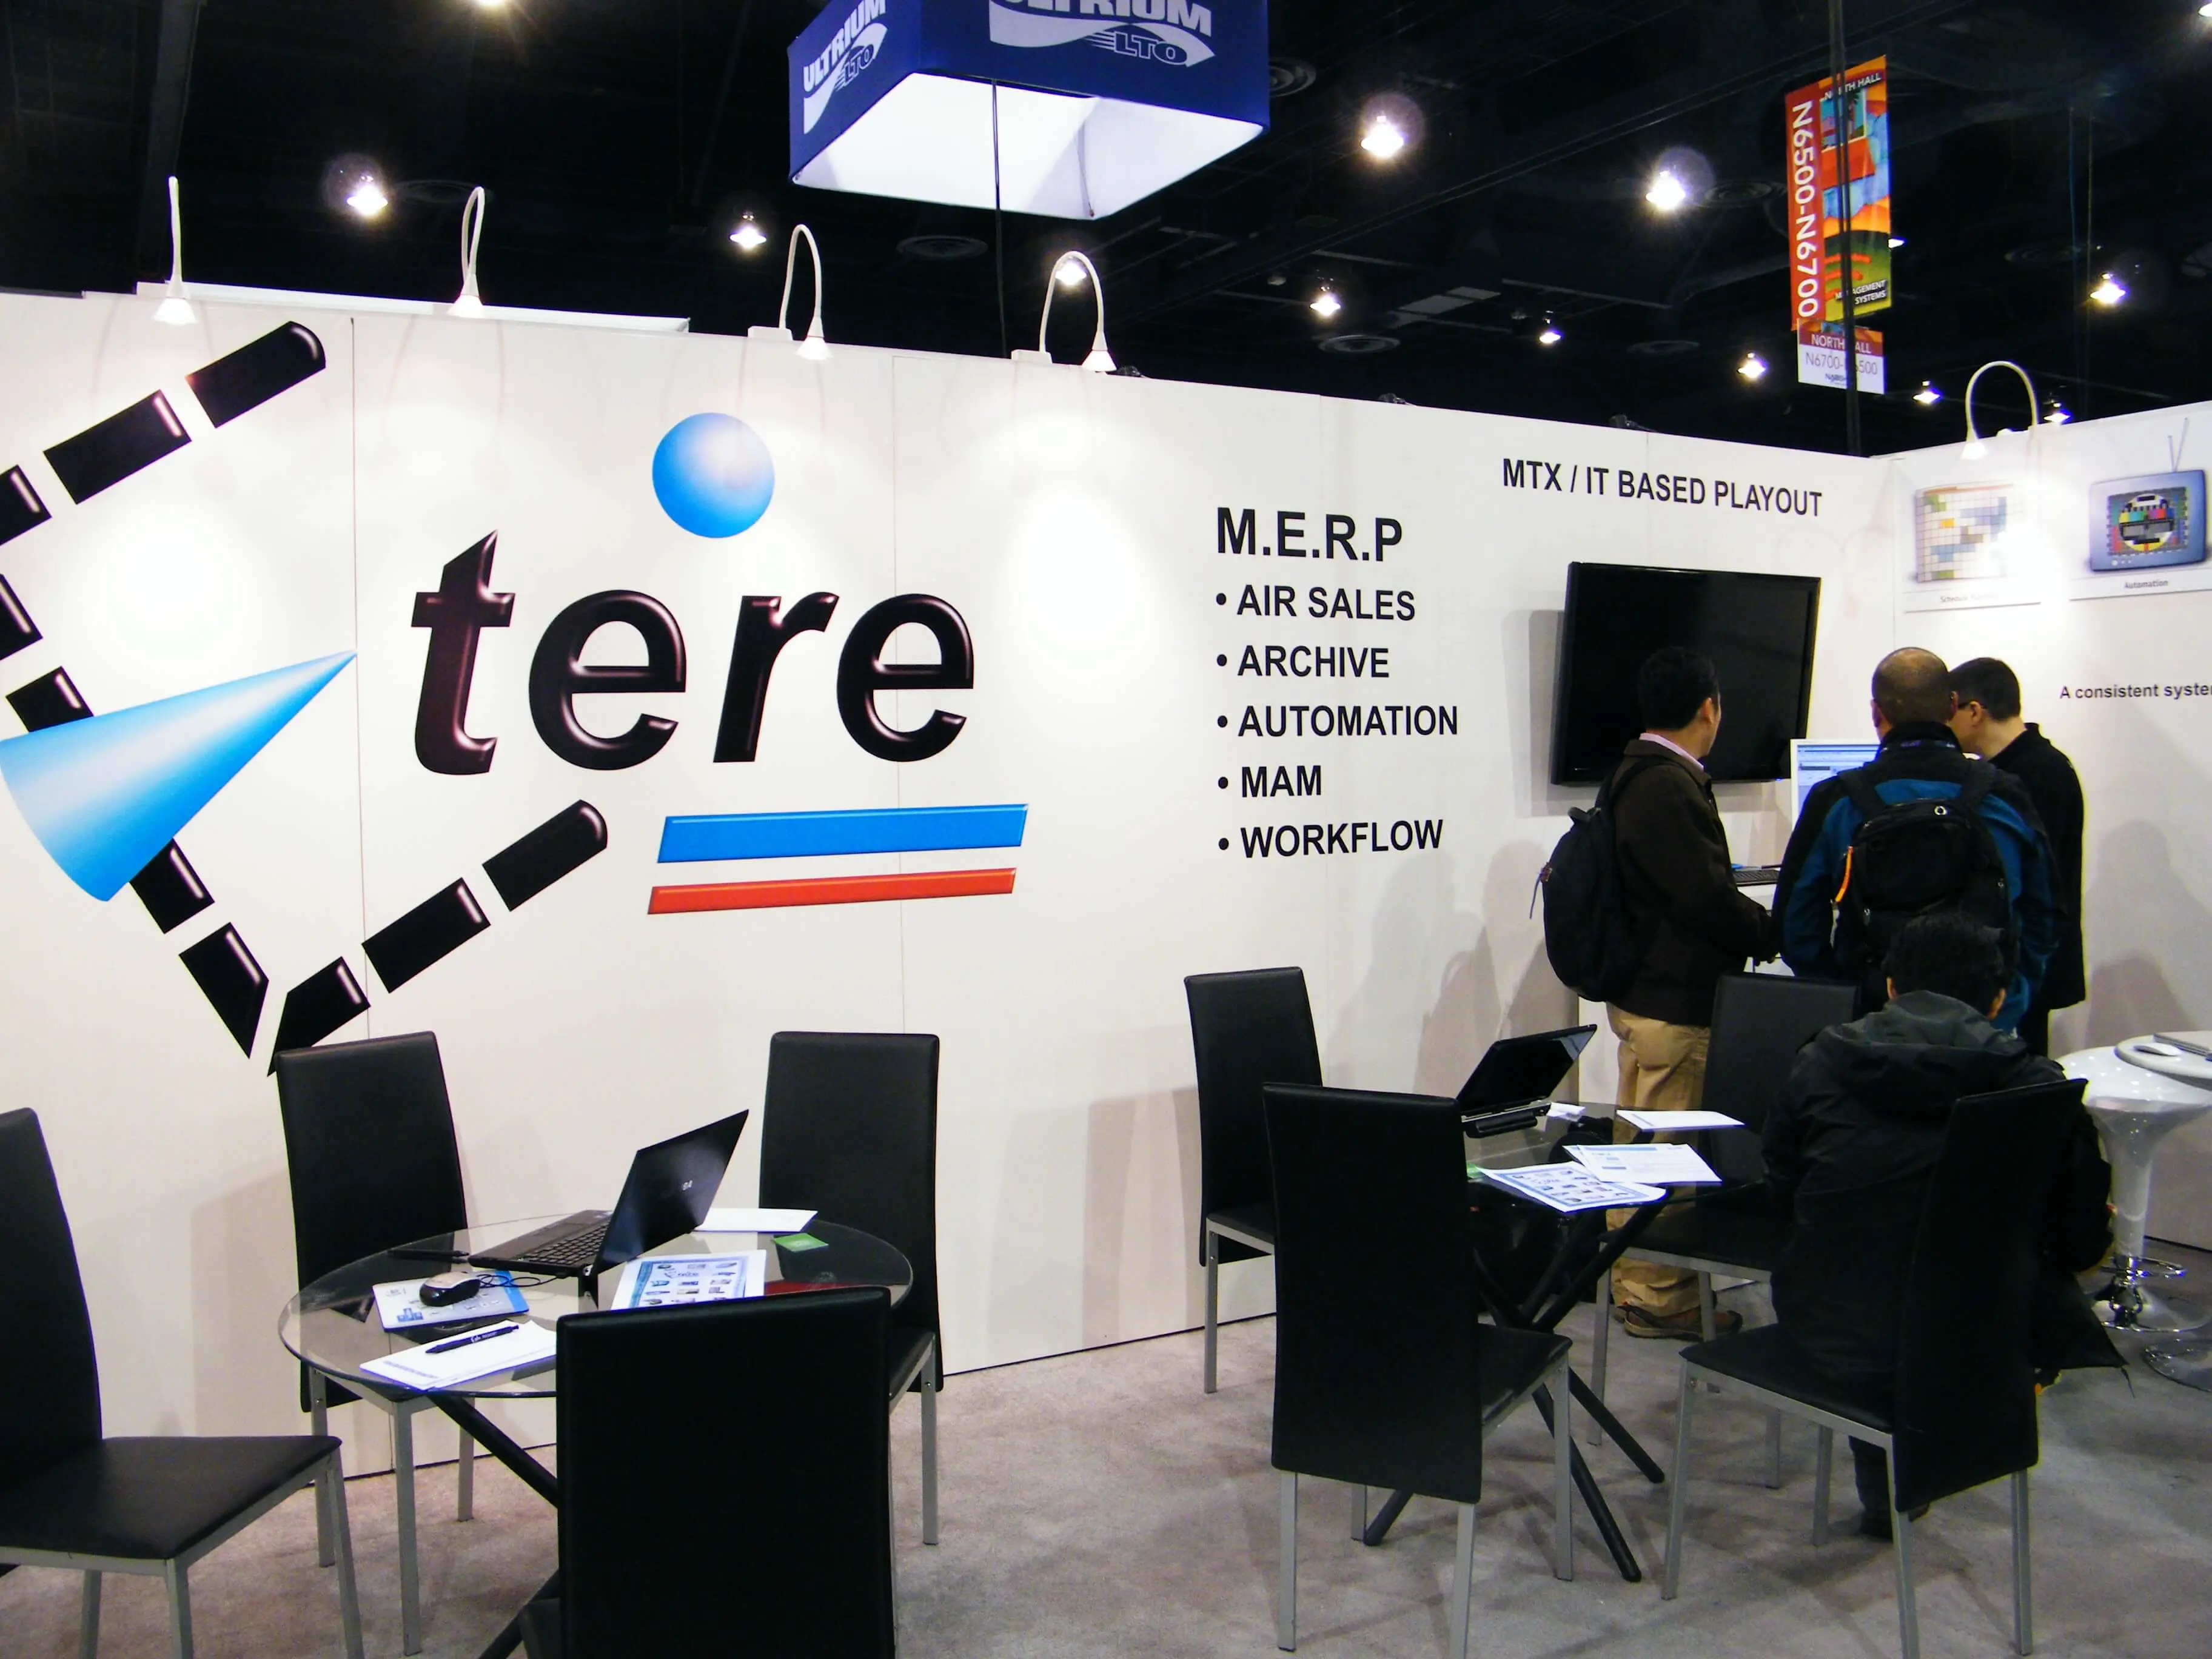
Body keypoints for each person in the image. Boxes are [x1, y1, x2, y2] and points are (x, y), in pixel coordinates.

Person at [1761, 910, 2114, 1537]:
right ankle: (1924, 1473)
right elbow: (2081, 1239)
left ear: (1891, 985)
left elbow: (1782, 1190)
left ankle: (1888, 1490)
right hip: (1986, 1346)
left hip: (1831, 1331)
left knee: (1874, 1276)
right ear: (1999, 1000)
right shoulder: (2040, 1089)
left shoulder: (1819, 1063)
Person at [1604, 645, 1775, 1339]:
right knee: (1666, 1148)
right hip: (1674, 1000)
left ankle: (1633, 1278)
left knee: (1641, 1139)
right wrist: (1770, 930)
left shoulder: (1634, 773)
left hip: (1646, 993)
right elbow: (1703, 897)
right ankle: (1658, 1294)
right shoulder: (1666, 785)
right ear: (1709, 708)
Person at [1773, 647, 2057, 1033]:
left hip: (1872, 1022)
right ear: (1952, 704)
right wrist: (2008, 1002)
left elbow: (1796, 923)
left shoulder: (1837, 800)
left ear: (1876, 713)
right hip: (1983, 1025)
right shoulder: (2005, 795)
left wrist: (1845, 997)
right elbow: (2045, 914)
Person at [1950, 657, 2085, 1056]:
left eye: (1949, 711)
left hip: (2024, 964)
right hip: (2024, 959)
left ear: (1975, 712)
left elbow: (2027, 882)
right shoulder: (2037, 766)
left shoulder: (2029, 777)